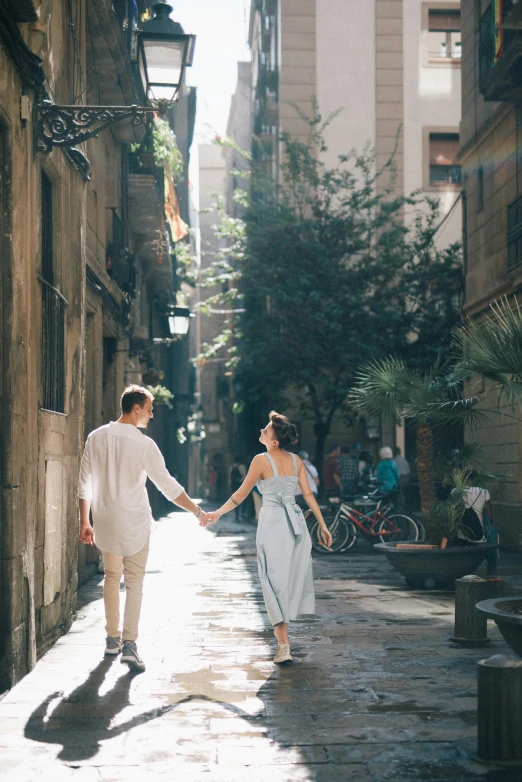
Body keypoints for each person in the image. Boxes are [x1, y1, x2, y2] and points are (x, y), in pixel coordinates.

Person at [78, 385, 208, 672]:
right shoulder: (144, 444)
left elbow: (84, 480)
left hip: (105, 520)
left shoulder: (95, 437)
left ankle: (112, 639)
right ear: (135, 407)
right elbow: (167, 486)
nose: (151, 414)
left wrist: (84, 521)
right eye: (149, 408)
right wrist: (197, 511)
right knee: (134, 582)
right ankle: (129, 644)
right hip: (135, 520)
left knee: (111, 577)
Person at [206, 411, 333, 665]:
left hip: (274, 523)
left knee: (270, 581)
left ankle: (283, 645)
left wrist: (218, 513)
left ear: (274, 441)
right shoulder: (297, 460)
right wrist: (323, 525)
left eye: (266, 431)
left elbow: (241, 494)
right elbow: (307, 495)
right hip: (296, 524)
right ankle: (284, 641)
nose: (261, 432)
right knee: (286, 580)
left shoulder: (260, 460)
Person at [453, 472, 501, 580]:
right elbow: (490, 515)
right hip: (479, 534)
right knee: (492, 543)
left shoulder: (455, 491)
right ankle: (492, 574)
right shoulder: (484, 492)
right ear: (474, 480)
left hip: (461, 533)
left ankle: (459, 574)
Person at [230, 455, 247, 520]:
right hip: (240, 485)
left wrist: (230, 484)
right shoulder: (242, 466)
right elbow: (244, 476)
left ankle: (236, 515)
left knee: (235, 500)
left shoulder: (231, 467)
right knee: (243, 500)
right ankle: (242, 513)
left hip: (234, 486)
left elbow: (230, 477)